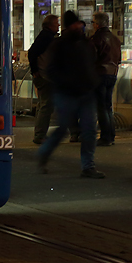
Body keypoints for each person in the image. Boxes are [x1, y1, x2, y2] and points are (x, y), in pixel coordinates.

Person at [37, 10, 104, 178]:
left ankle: (88, 165)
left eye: (79, 23)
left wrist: (93, 83)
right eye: (76, 23)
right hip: (67, 93)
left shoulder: (85, 44)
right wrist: (68, 82)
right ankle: (44, 153)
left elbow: (91, 66)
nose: (79, 26)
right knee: (63, 128)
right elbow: (51, 70)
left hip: (84, 92)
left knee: (89, 130)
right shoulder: (60, 45)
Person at [90, 11, 122, 146]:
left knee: (101, 106)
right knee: (107, 106)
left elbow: (91, 58)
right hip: (112, 74)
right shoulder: (115, 39)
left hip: (99, 74)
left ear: (97, 24)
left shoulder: (96, 39)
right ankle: (111, 135)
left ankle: (105, 136)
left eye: (93, 22)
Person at [27, 13, 59, 145]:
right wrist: (35, 70)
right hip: (45, 76)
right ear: (50, 25)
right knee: (46, 105)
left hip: (43, 75)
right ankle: (40, 135)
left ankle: (39, 133)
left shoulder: (47, 36)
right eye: (57, 23)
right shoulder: (46, 37)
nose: (58, 25)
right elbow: (32, 53)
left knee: (43, 104)